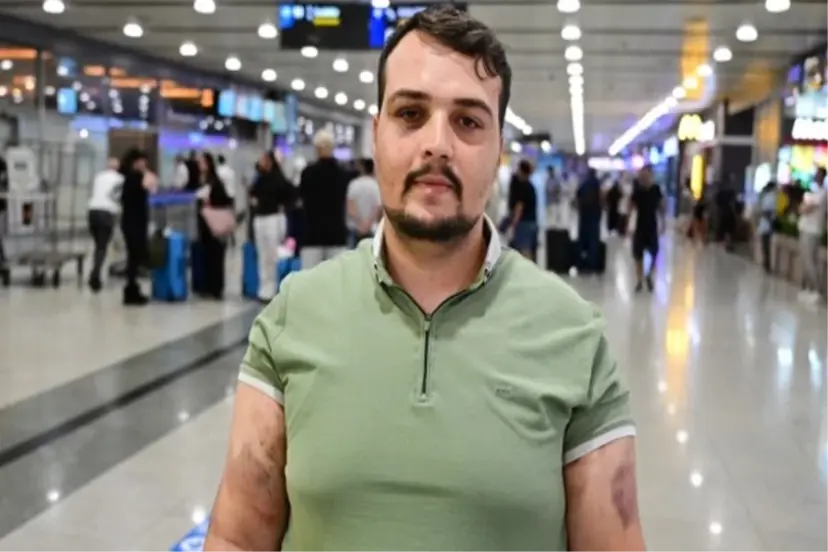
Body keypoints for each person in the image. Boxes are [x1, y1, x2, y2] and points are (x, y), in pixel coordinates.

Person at [206, 6, 644, 552]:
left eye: (468, 121)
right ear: (376, 135)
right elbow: (236, 536)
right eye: (410, 114)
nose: (437, 143)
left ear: (499, 150)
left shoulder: (573, 336)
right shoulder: (293, 314)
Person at [297, 129, 350, 268]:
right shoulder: (342, 174)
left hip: (312, 234)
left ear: (317, 148)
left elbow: (301, 199)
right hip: (336, 234)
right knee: (336, 278)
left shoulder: (307, 173)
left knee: (310, 278)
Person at [250, 151, 295, 302]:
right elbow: (253, 194)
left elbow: (290, 194)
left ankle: (272, 286)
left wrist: (284, 207)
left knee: (271, 254)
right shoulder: (260, 179)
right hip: (260, 219)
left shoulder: (279, 179)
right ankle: (263, 287)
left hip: (273, 218)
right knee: (262, 254)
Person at [119, 148, 157, 306]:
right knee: (134, 258)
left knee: (133, 257)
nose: (145, 164)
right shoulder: (135, 177)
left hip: (131, 222)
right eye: (142, 162)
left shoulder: (129, 177)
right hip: (134, 222)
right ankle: (131, 291)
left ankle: (132, 289)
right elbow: (152, 185)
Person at [196, 152, 233, 300]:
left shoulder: (215, 182)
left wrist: (210, 202)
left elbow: (223, 200)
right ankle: (208, 285)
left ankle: (216, 287)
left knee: (216, 255)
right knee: (207, 255)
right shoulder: (203, 180)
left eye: (202, 162)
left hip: (214, 224)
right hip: (205, 223)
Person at [87, 157, 124, 292]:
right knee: (102, 246)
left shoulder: (99, 177)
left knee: (97, 244)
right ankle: (95, 275)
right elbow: (118, 196)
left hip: (92, 211)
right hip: (107, 213)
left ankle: (95, 270)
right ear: (118, 167)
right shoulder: (120, 179)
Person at [629, 165, 664, 293]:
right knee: (638, 255)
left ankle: (649, 275)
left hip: (652, 225)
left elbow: (661, 206)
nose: (644, 177)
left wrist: (663, 222)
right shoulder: (637, 191)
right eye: (642, 175)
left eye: (647, 175)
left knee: (655, 253)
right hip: (640, 226)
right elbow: (631, 207)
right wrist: (628, 224)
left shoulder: (656, 190)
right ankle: (639, 280)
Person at [798, 166, 828, 304]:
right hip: (805, 228)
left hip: (813, 230)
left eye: (818, 174)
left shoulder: (823, 193)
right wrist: (804, 206)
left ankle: (816, 290)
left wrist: (805, 206)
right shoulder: (813, 192)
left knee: (810, 260)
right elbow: (801, 208)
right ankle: (809, 288)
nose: (816, 176)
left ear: (823, 177)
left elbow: (806, 208)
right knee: (806, 259)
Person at [506, 159, 538, 259]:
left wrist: (513, 224)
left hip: (524, 223)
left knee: (525, 250)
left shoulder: (523, 187)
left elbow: (519, 206)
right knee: (526, 250)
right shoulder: (530, 186)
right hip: (531, 222)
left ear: (521, 171)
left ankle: (527, 268)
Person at [346, 157, 382, 244]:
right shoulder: (376, 185)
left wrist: (360, 223)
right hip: (372, 229)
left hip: (355, 228)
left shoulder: (354, 184)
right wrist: (367, 224)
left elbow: (351, 208)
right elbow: (377, 208)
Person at [576, 168, 603, 273]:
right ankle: (593, 263)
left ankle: (581, 263)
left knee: (583, 239)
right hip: (594, 216)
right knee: (593, 240)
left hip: (584, 216)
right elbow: (600, 198)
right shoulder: (596, 183)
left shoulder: (583, 183)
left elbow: (577, 196)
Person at [757, 181, 778, 273]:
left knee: (765, 245)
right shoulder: (771, 196)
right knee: (766, 245)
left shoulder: (765, 196)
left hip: (765, 224)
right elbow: (767, 211)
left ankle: (766, 263)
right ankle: (767, 264)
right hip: (767, 224)